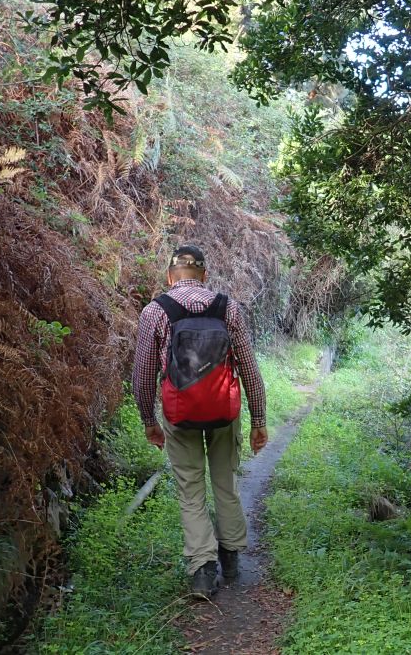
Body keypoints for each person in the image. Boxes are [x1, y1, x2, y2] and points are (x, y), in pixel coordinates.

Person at [131, 244, 268, 598]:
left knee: (190, 491)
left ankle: (203, 572)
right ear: (204, 276)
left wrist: (149, 419)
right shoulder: (228, 309)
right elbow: (249, 369)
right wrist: (259, 420)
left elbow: (144, 375)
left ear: (169, 277)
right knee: (225, 482)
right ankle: (232, 558)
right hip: (224, 413)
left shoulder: (155, 312)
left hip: (179, 414)